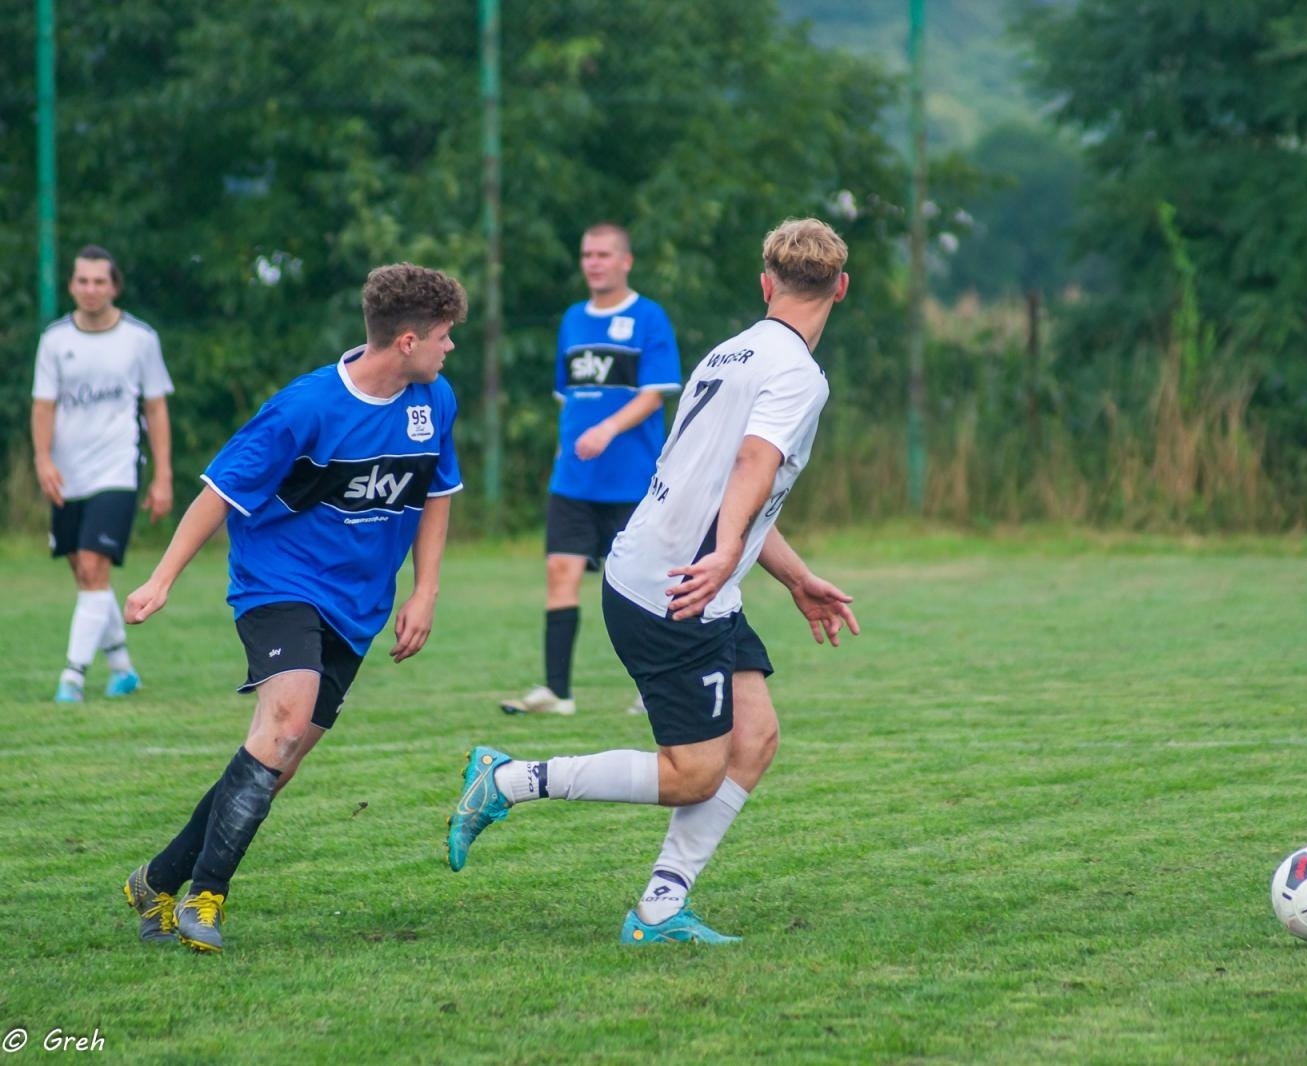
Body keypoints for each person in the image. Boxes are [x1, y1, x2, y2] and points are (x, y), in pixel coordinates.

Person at [451, 218, 860, 944]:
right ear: (841, 288)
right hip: (676, 589)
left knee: (755, 738)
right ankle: (509, 780)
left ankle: (660, 909)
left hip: (684, 576)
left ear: (765, 285)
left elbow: (720, 485)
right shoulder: (798, 372)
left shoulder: (729, 352)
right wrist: (726, 550)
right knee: (693, 773)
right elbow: (753, 465)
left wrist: (793, 577)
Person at [118, 263, 467, 952]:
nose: (450, 347)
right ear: (407, 341)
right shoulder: (304, 408)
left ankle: (154, 881)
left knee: (277, 762)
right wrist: (161, 580)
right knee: (281, 727)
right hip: (279, 583)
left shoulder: (435, 400)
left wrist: (425, 590)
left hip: (358, 605)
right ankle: (205, 899)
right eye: (444, 335)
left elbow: (436, 493)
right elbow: (219, 492)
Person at [500, 223, 682, 718]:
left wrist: (607, 429)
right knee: (560, 572)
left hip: (632, 480)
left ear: (626, 261)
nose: (593, 263)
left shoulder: (648, 317)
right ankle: (557, 693)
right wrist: (564, 453)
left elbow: (654, 395)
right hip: (574, 481)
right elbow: (568, 400)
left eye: (603, 254)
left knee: (644, 583)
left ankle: (656, 687)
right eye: (587, 255)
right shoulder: (573, 320)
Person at [31, 245, 174, 702]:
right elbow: (43, 405)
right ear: (71, 285)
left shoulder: (140, 339)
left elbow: (155, 407)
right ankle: (122, 668)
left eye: (99, 281)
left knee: (94, 566)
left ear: (114, 286)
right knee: (85, 574)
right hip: (67, 474)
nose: (90, 289)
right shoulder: (55, 340)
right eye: (82, 280)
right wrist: (42, 459)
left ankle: (72, 676)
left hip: (117, 469)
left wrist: (163, 476)